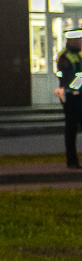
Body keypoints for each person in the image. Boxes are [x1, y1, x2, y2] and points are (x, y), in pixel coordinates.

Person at [56, 28, 82, 169]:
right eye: (79, 40)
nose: (81, 42)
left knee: (72, 129)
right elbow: (68, 81)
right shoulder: (65, 57)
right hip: (71, 97)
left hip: (78, 96)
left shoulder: (77, 55)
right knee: (71, 130)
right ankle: (72, 161)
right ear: (72, 41)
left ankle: (73, 161)